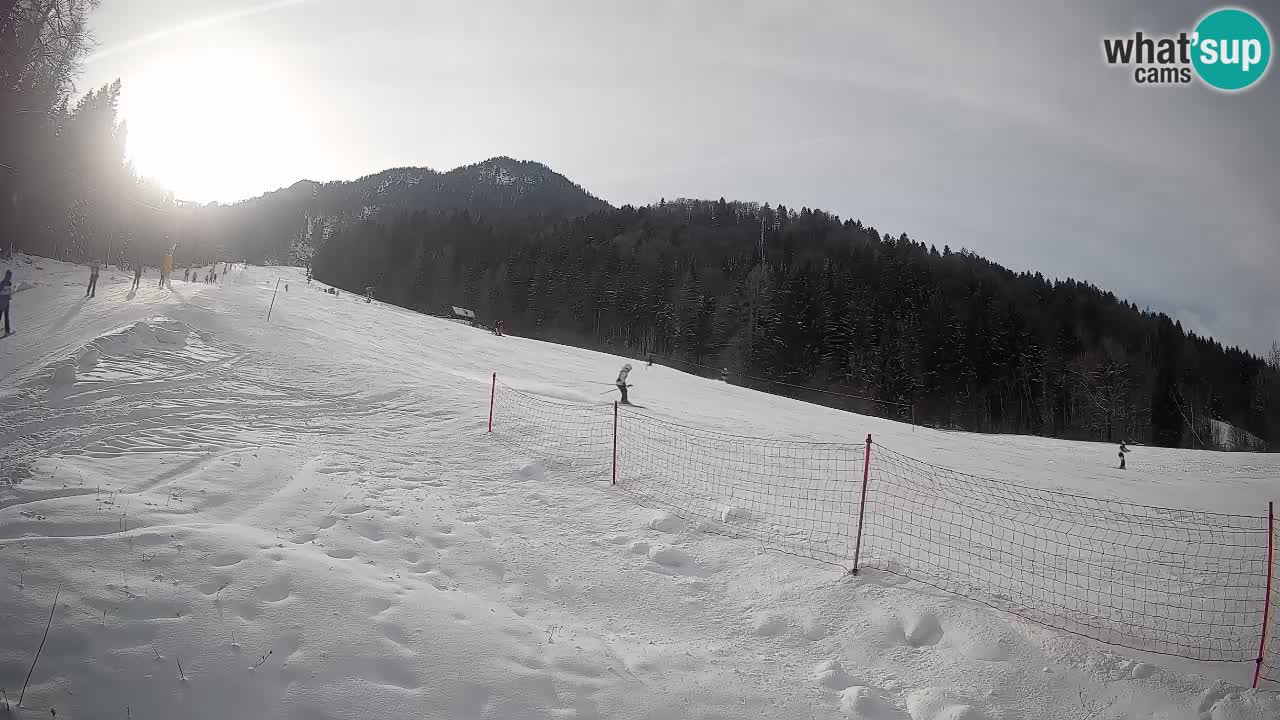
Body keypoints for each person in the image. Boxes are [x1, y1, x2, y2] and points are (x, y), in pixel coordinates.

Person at [0, 269, 13, 336]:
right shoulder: (2, 283)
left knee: (6, 317)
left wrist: (10, 297)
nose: (10, 277)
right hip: (2, 302)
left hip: (6, 303)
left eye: (10, 275)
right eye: (9, 275)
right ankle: (6, 332)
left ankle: (7, 332)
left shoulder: (9, 283)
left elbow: (10, 292)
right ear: (6, 275)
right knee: (4, 317)